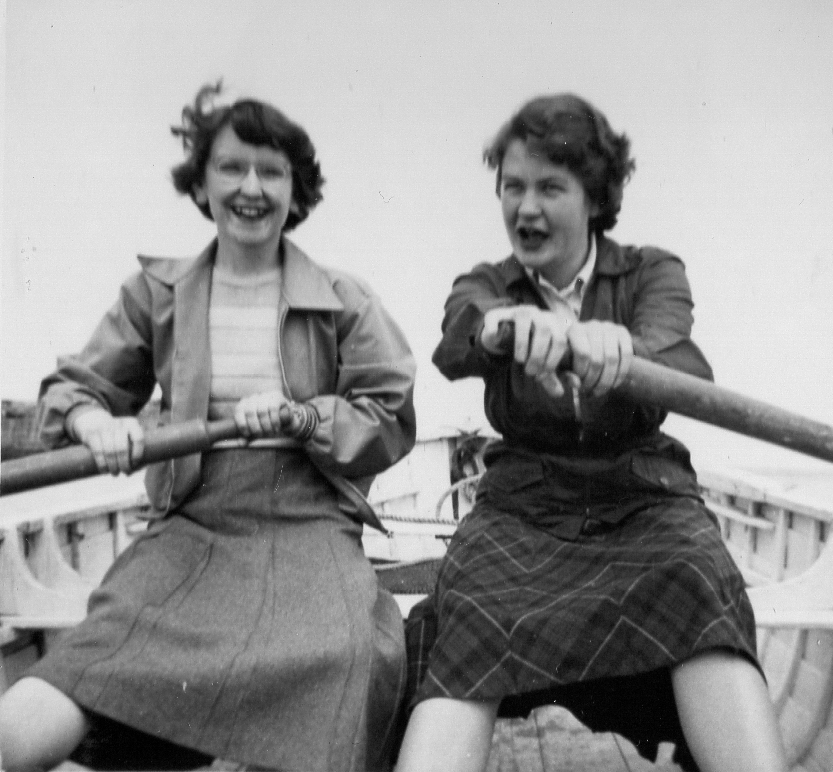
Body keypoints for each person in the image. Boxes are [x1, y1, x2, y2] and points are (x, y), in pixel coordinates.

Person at [0, 81, 416, 772]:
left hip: (311, 523)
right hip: (192, 522)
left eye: (270, 171)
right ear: (201, 182)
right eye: (231, 167)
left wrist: (302, 415)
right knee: (88, 662)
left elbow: (390, 413)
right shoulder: (156, 294)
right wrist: (93, 419)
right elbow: (76, 388)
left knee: (349, 655)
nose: (250, 187)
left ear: (295, 190)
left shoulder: (343, 297)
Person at [394, 94, 787, 772]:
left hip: (643, 498)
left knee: (699, 579)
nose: (525, 207)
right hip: (522, 507)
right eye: (512, 187)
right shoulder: (489, 283)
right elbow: (460, 332)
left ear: (595, 198)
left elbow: (678, 357)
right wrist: (507, 326)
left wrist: (624, 352)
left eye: (550, 187)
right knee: (467, 610)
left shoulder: (651, 272)